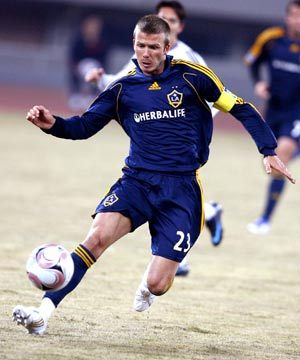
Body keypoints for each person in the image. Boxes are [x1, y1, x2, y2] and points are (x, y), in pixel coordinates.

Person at [13, 15, 294, 336]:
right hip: (136, 182)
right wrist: (53, 124)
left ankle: (148, 286)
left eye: (152, 47)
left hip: (182, 189)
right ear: (134, 45)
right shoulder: (123, 87)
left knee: (159, 284)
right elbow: (84, 126)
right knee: (95, 239)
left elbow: (240, 106)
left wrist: (268, 149)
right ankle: (42, 314)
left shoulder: (193, 77)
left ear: (167, 46)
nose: (145, 53)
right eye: (140, 46)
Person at [85, 0, 224, 277]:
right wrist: (101, 80)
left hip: (187, 134)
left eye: (171, 21)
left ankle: (177, 250)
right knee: (151, 183)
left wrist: (189, 120)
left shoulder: (190, 59)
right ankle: (206, 215)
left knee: (175, 188)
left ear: (179, 27)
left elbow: (215, 93)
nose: (166, 25)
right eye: (162, 19)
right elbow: (125, 79)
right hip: (154, 130)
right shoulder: (149, 49)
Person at [245, 0, 300, 235]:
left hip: (297, 112)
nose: (297, 20)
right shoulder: (271, 38)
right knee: (273, 165)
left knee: (283, 153)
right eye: (294, 15)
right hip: (274, 110)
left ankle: (265, 220)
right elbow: (251, 60)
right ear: (287, 17)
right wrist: (258, 82)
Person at [68, 15, 108, 111]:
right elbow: (73, 56)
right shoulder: (78, 40)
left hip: (96, 67)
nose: (92, 29)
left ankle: (91, 95)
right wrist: (75, 66)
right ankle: (77, 94)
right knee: (86, 67)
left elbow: (104, 59)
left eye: (95, 27)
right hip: (80, 66)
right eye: (90, 26)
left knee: (92, 68)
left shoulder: (102, 42)